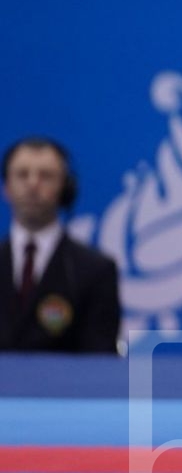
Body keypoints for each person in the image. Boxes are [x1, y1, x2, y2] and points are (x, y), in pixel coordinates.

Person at [2, 139, 120, 354]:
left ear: (65, 188)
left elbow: (101, 361)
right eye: (22, 174)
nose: (33, 184)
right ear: (6, 187)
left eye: (46, 175)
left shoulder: (95, 270)